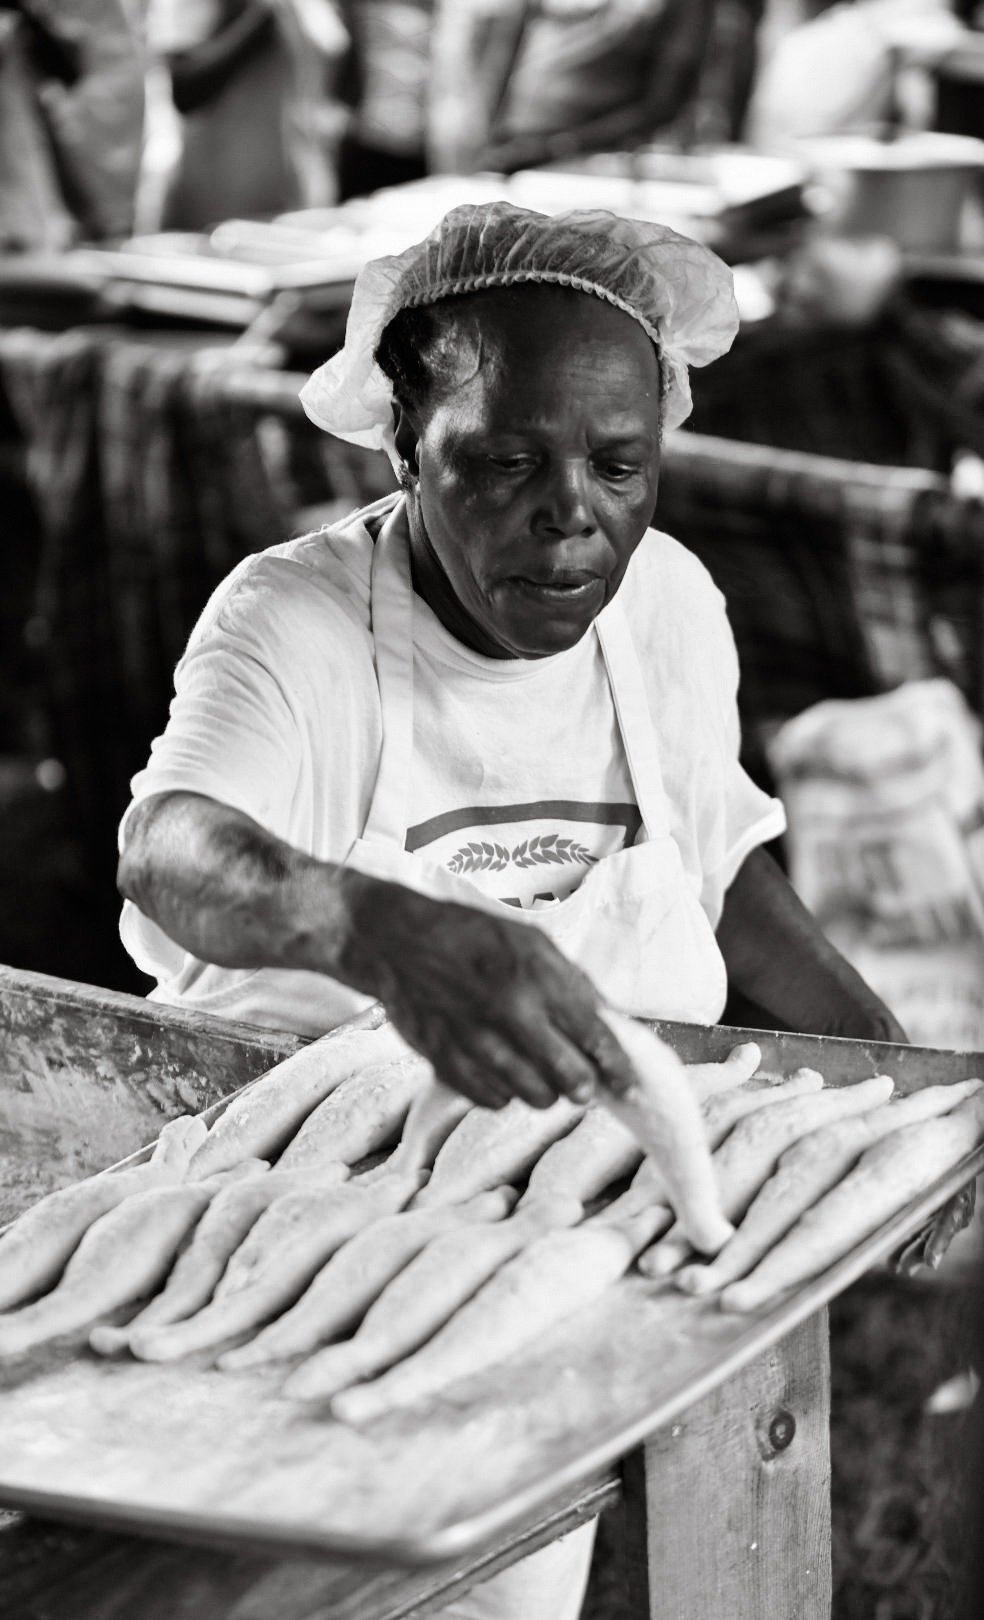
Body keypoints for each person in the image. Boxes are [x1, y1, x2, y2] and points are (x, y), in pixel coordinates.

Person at [117, 201, 906, 1619]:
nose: (573, 513)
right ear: (402, 444)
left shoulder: (665, 607)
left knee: (504, 1581)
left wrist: (890, 1074)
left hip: (551, 1247)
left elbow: (713, 862)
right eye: (504, 461)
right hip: (284, 1241)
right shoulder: (291, 625)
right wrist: (380, 932)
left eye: (620, 464)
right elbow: (169, 848)